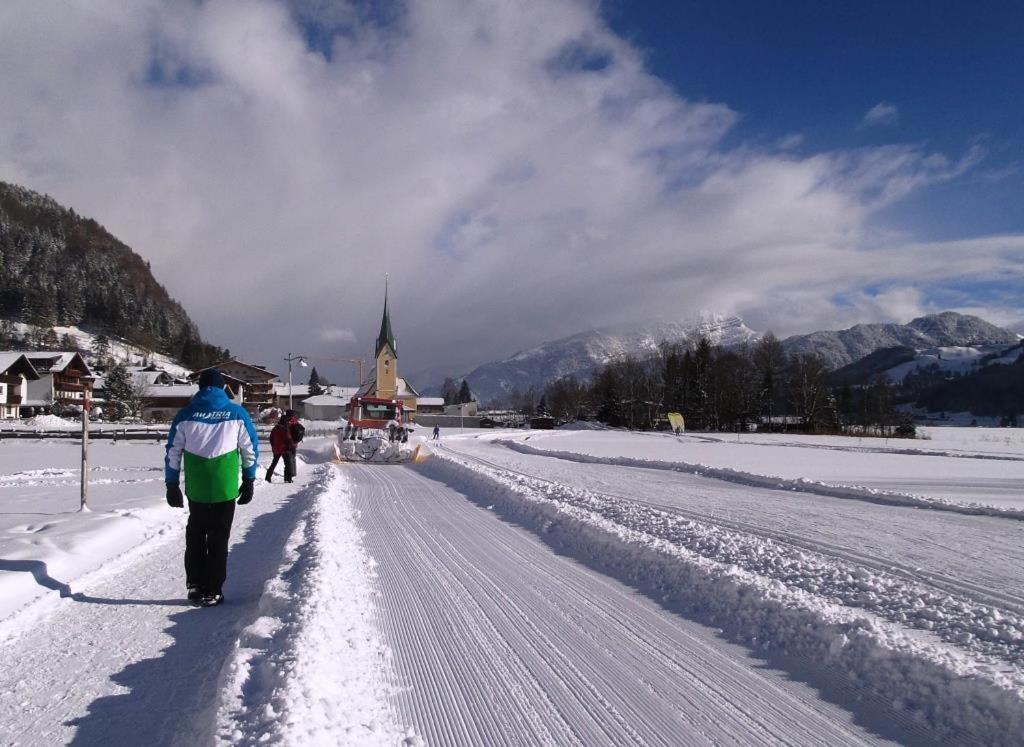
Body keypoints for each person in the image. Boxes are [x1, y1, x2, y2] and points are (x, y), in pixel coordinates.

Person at [165, 369, 258, 607]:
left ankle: (195, 585)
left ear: (200, 388)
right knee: (218, 537)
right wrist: (249, 480)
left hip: (197, 487)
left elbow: (173, 452)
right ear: (222, 388)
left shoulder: (185, 415)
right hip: (224, 487)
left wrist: (172, 484)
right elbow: (249, 449)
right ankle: (213, 590)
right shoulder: (236, 413)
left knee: (196, 534)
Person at [267, 410, 300, 483]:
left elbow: (271, 438)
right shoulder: (285, 428)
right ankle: (287, 479)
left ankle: (267, 477)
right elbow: (288, 438)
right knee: (288, 464)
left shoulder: (275, 428)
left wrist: (273, 446)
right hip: (285, 449)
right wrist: (292, 445)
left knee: (274, 463)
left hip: (276, 449)